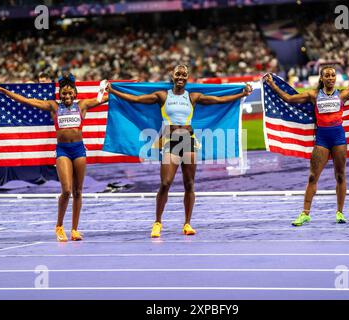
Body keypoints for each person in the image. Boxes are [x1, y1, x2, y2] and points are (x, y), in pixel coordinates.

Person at [107, 64, 253, 237]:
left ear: (188, 77)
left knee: (189, 184)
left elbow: (219, 100)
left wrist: (242, 94)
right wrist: (113, 91)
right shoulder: (162, 95)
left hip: (189, 141)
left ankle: (187, 224)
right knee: (165, 183)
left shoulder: (192, 97)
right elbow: (136, 100)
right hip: (170, 141)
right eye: (178, 74)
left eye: (184, 75)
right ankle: (157, 222)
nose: (181, 77)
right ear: (172, 75)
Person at [264, 66, 349, 226]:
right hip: (322, 140)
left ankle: (340, 212)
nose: (331, 78)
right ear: (322, 78)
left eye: (333, 75)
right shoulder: (313, 94)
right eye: (327, 75)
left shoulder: (344, 94)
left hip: (338, 138)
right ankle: (305, 214)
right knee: (312, 177)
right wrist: (272, 85)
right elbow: (289, 98)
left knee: (340, 176)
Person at [0, 73, 109, 241]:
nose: (67, 96)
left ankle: (75, 230)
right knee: (67, 190)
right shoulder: (53, 107)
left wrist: (116, 89)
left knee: (78, 191)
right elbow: (26, 101)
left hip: (79, 151)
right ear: (59, 94)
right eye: (64, 93)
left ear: (75, 93)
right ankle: (59, 226)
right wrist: (3, 91)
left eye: (70, 93)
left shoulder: (83, 105)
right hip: (63, 151)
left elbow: (106, 98)